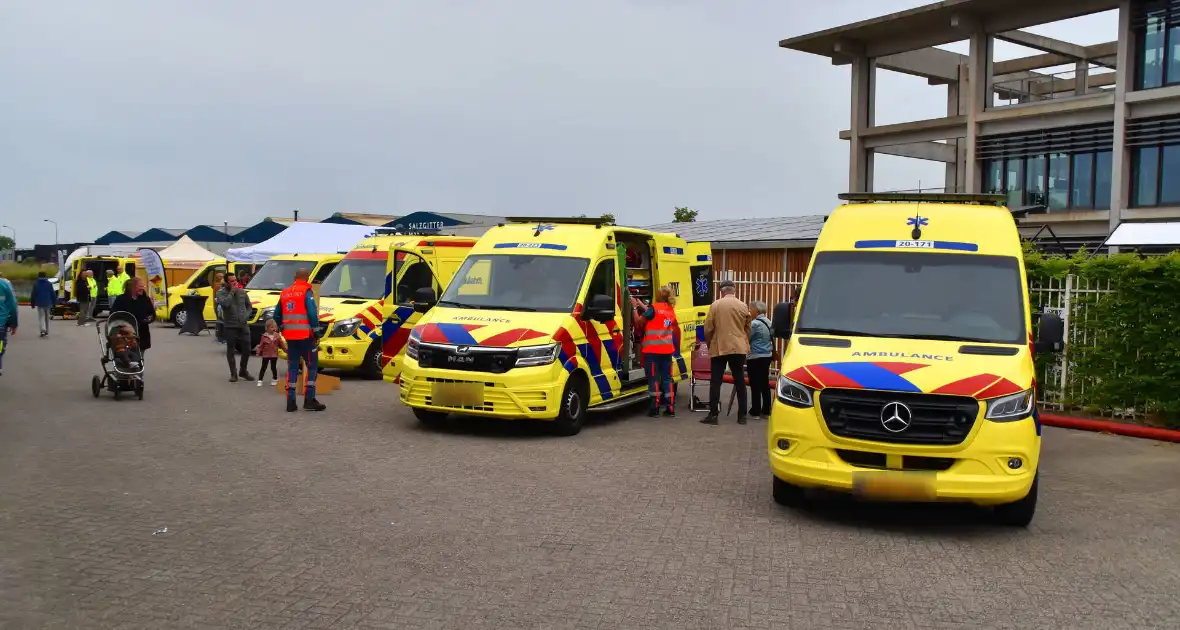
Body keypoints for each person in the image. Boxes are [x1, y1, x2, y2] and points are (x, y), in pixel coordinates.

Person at [701, 279, 751, 425]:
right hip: (738, 347)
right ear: (734, 290)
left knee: (716, 381)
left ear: (721, 291)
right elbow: (748, 327)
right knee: (740, 381)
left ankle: (713, 415)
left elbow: (708, 329)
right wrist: (743, 341)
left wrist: (710, 343)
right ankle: (742, 416)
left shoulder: (715, 305)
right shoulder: (743, 305)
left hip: (719, 347)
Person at [277, 267, 326, 412]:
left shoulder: (284, 293)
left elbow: (276, 315)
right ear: (307, 277)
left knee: (292, 368)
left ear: (294, 277)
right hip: (306, 337)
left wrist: (282, 328)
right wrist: (317, 333)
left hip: (290, 338)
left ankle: (290, 401)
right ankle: (309, 399)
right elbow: (312, 313)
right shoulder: (306, 291)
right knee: (311, 367)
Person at [638, 286, 678, 417]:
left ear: (659, 295)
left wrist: (634, 308)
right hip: (667, 350)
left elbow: (639, 322)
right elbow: (657, 317)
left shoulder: (653, 309)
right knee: (667, 379)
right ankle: (670, 407)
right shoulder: (670, 310)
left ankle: (654, 408)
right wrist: (645, 307)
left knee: (654, 379)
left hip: (653, 351)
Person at [216, 274, 253, 382]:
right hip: (230, 325)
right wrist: (232, 292)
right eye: (231, 281)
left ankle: (243, 370)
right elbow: (225, 304)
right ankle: (233, 373)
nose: (234, 283)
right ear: (227, 283)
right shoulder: (220, 293)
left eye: (235, 280)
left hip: (243, 324)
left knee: (247, 347)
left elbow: (249, 306)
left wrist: (246, 315)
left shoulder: (242, 292)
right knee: (231, 349)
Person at [111, 277, 154, 359]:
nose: (142, 288)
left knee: (140, 356)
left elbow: (151, 313)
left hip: (142, 332)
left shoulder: (145, 299)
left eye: (143, 286)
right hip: (124, 333)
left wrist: (149, 319)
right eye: (140, 286)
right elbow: (114, 315)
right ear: (132, 287)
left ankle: (138, 368)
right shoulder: (121, 299)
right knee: (124, 354)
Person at [746, 300, 774, 420]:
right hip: (767, 356)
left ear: (756, 311)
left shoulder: (755, 324)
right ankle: (766, 410)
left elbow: (747, 337)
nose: (749, 311)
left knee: (755, 384)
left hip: (755, 356)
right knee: (764, 383)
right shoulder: (769, 321)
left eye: (750, 309)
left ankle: (755, 410)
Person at [254, 318, 286, 387]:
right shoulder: (264, 336)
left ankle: (274, 379)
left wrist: (286, 350)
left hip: (274, 355)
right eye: (271, 327)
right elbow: (261, 345)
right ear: (267, 328)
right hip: (266, 355)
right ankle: (260, 380)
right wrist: (258, 352)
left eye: (275, 327)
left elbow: (282, 344)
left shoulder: (277, 336)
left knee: (273, 367)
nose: (273, 329)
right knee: (263, 367)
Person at [0, 274, 17, 377]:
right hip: (1, 322)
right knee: (1, 344)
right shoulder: (5, 285)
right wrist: (14, 323)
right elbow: (12, 306)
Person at [30, 271, 56, 338]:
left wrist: (32, 303)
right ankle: (47, 331)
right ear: (45, 276)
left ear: (38, 276)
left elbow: (33, 294)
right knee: (47, 317)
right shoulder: (49, 284)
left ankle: (42, 330)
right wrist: (54, 302)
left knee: (41, 317)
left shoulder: (36, 284)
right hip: (48, 302)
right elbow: (53, 294)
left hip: (40, 302)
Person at [212, 271, 226, 344]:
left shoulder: (216, 285)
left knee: (219, 321)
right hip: (219, 306)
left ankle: (219, 336)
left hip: (217, 305)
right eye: (222, 276)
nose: (223, 278)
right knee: (221, 322)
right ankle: (221, 337)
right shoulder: (218, 286)